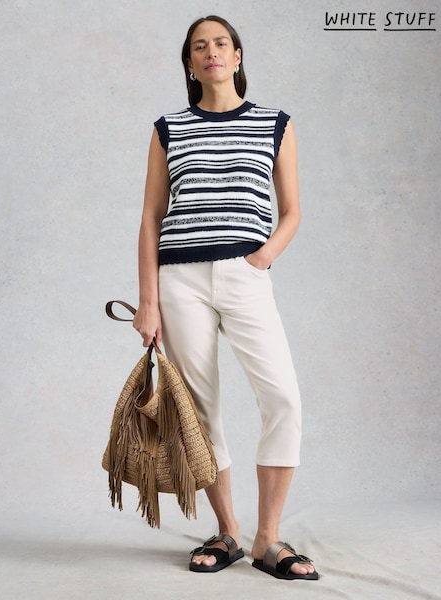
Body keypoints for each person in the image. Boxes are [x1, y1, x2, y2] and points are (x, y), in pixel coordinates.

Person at [132, 15, 318, 581]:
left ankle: (268, 539)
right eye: (199, 46)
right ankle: (229, 531)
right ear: (190, 64)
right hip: (179, 279)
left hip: (245, 274)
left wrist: (261, 258)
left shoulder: (274, 123)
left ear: (237, 55)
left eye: (220, 43)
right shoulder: (169, 128)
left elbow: (292, 211)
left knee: (283, 399)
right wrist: (148, 301)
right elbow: (151, 216)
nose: (211, 52)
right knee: (199, 409)